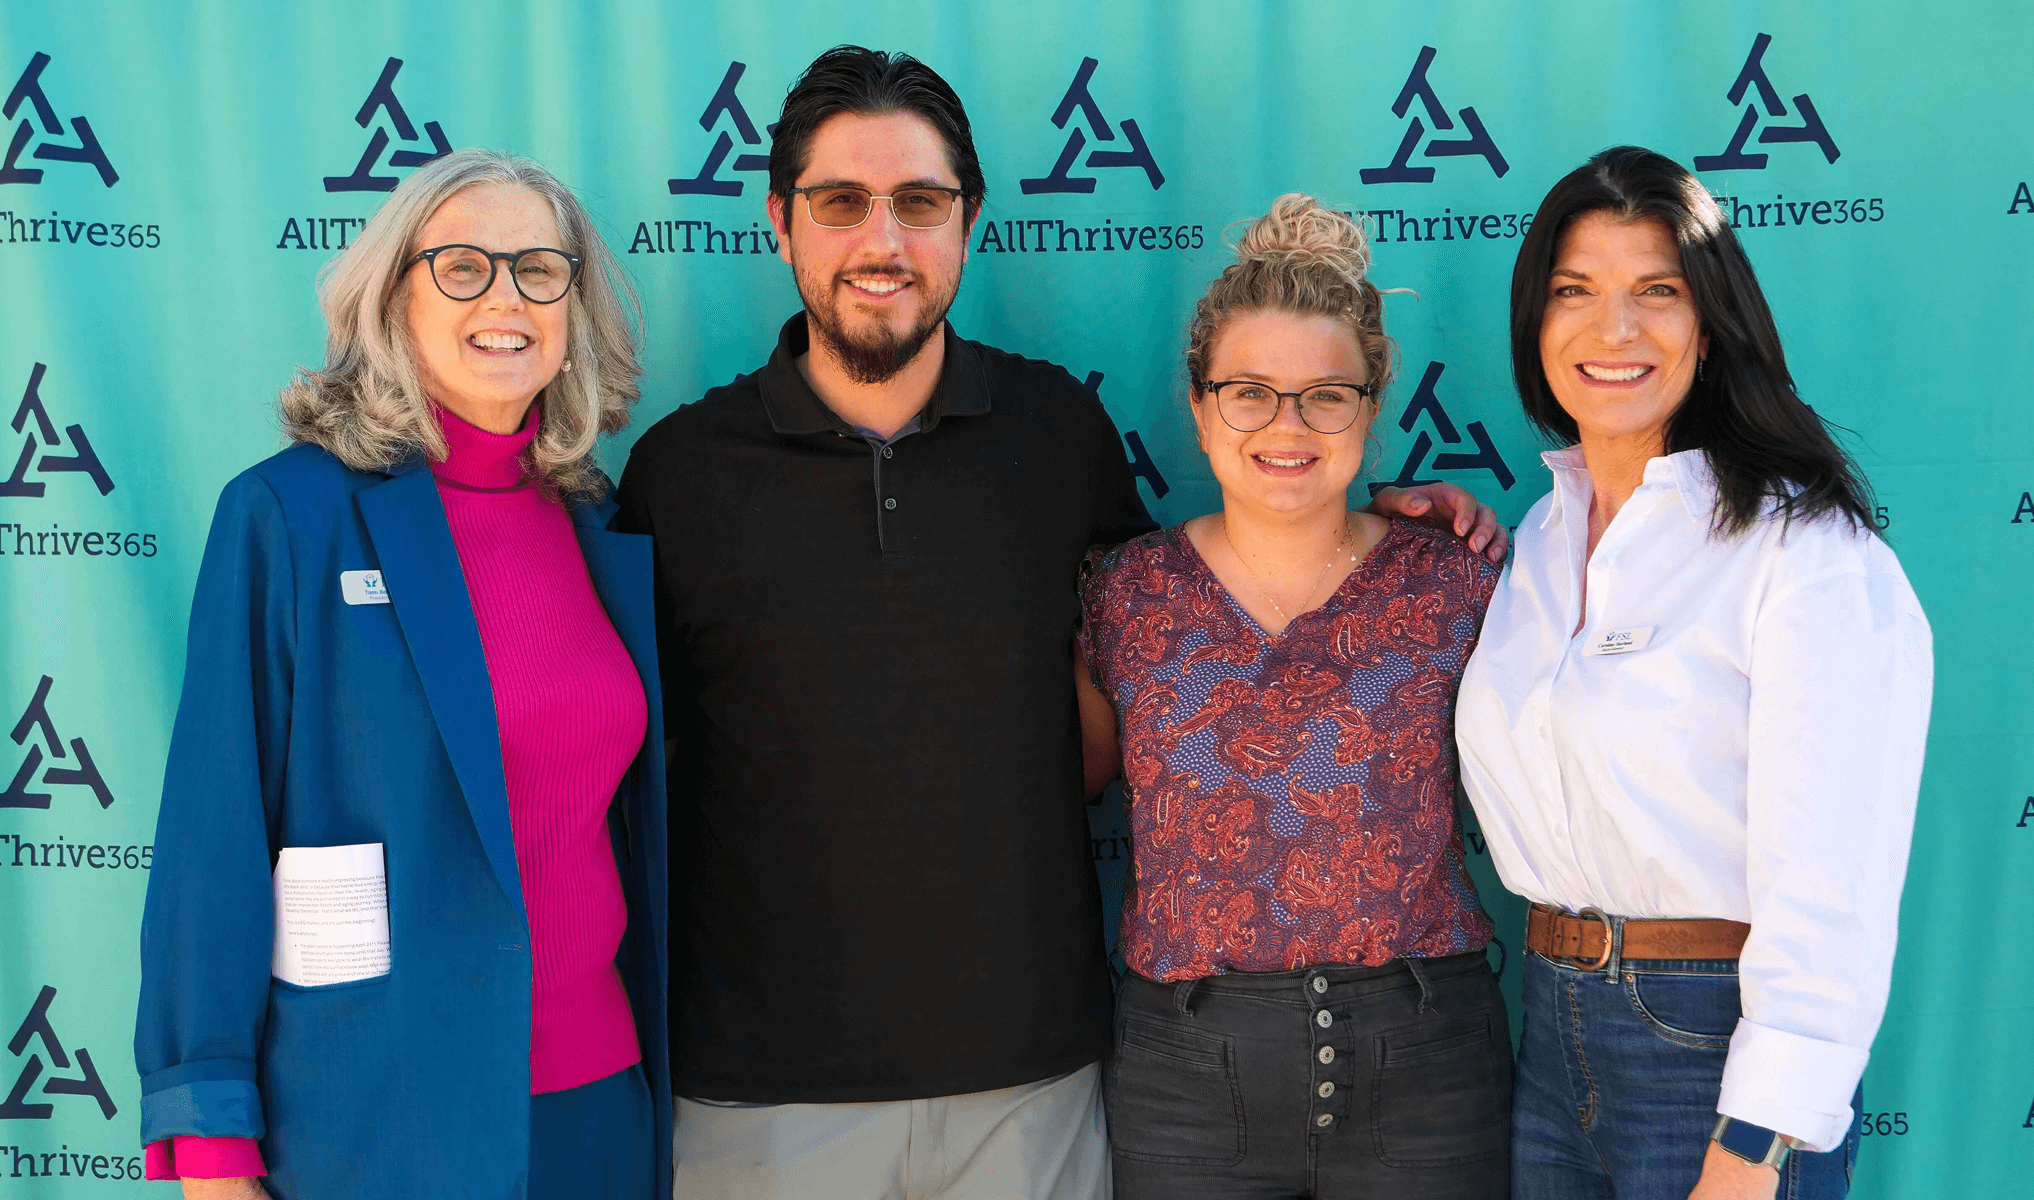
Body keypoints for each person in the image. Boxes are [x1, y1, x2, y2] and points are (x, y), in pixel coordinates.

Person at [613, 46, 1504, 1200]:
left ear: (967, 224)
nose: (882, 241)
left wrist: (1401, 514)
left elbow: (1194, 628)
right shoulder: (679, 472)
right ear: (781, 222)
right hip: (761, 1091)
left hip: (1031, 1084)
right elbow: (636, 773)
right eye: (841, 203)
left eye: (920, 204)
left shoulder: (1053, 431)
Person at [134, 149, 669, 1200]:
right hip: (375, 1120)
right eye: (463, 266)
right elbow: (215, 841)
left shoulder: (602, 527)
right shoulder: (291, 516)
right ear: (395, 298)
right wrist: (207, 1146)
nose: (506, 298)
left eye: (538, 269)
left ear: (574, 303)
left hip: (599, 1106)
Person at [1452, 146, 1933, 1200]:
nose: (1611, 330)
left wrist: (1761, 1137)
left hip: (1710, 1051)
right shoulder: (1536, 539)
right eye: (1574, 291)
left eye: (1655, 294)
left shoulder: (1805, 554)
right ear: (1536, 323)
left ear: (1710, 329)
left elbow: (1833, 884)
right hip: (1550, 1032)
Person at [1075, 195, 1511, 1200]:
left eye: (1326, 394)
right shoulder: (1122, 594)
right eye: (1251, 392)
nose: (1288, 424)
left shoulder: (1456, 582)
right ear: (1197, 404)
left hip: (1427, 1065)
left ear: (1370, 406)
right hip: (1185, 1076)